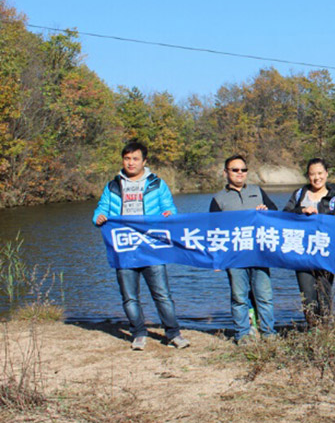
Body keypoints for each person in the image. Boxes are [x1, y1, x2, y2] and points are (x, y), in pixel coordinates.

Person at [92, 141, 190, 350]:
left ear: (144, 161)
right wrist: (98, 217)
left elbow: (169, 208)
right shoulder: (113, 186)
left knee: (162, 294)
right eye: (127, 158)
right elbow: (101, 208)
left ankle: (173, 333)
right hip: (124, 248)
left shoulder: (157, 184)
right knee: (129, 297)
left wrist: (170, 214)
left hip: (151, 247)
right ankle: (138, 332)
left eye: (135, 159)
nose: (131, 163)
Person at [209, 154, 278, 344]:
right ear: (226, 173)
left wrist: (267, 212)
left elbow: (276, 215)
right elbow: (213, 231)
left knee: (264, 295)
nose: (240, 173)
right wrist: (217, 259)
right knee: (239, 297)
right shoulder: (218, 199)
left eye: (243, 170)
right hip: (234, 257)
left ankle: (268, 333)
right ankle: (242, 334)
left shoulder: (258, 191)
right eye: (235, 170)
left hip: (259, 254)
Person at [283, 158, 335, 326]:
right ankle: (312, 328)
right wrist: (302, 211)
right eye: (312, 174)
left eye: (319, 173)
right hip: (302, 253)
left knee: (324, 292)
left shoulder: (334, 196)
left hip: (325, 252)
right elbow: (285, 215)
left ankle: (325, 329)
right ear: (308, 176)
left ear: (326, 174)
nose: (316, 178)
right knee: (307, 294)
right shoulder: (299, 194)